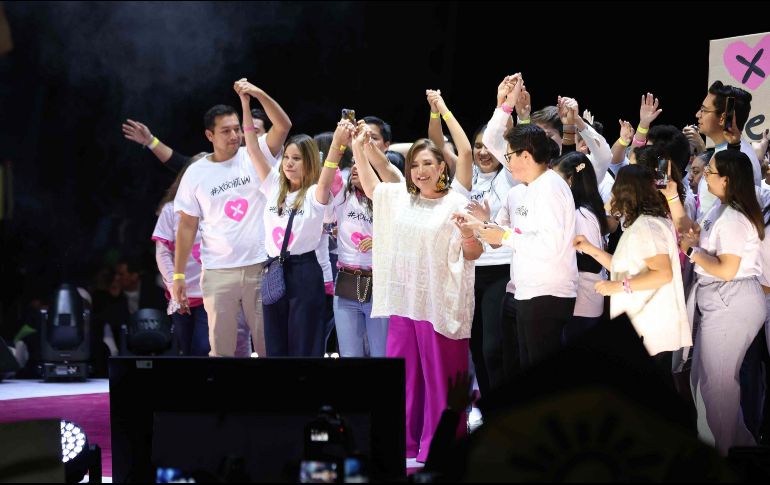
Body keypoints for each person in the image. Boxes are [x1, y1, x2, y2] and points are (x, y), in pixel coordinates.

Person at [355, 89, 479, 463]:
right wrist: (360, 149)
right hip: (405, 302)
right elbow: (373, 186)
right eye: (415, 165)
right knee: (405, 382)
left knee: (442, 385)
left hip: (442, 304)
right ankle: (405, 447)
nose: (421, 171)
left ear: (443, 167)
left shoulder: (458, 202)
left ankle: (441, 449)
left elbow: (473, 253)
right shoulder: (401, 199)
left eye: (428, 164)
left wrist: (471, 233)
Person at [173, 82, 290, 357]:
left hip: (260, 267)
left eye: (237, 128)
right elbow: (187, 226)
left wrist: (256, 95)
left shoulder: (255, 153)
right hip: (217, 272)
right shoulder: (196, 173)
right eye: (226, 131)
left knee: (267, 345)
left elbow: (283, 126)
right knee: (221, 349)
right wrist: (178, 274)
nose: (234, 135)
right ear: (209, 135)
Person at [235, 79, 348, 357]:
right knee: (275, 344)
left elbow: (331, 165)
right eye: (286, 157)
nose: (288, 163)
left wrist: (337, 142)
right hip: (273, 269)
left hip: (305, 271)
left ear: (309, 162)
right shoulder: (273, 185)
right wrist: (246, 103)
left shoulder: (315, 194)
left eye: (296, 158)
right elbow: (252, 146)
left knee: (305, 344)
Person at [473, 74, 578, 370]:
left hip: (549, 294)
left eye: (510, 156)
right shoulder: (523, 188)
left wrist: (503, 236)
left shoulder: (552, 187)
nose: (505, 161)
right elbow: (494, 140)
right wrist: (503, 105)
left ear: (527, 155)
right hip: (524, 290)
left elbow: (550, 246)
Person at [679, 149, 766, 456]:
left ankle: (726, 451)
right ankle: (739, 447)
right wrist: (672, 200)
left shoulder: (733, 218)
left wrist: (692, 252)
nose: (703, 176)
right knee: (706, 381)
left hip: (731, 300)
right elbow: (691, 233)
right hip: (723, 301)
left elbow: (727, 269)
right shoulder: (721, 208)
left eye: (710, 172)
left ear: (727, 180)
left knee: (717, 386)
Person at [573, 164, 690, 372]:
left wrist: (618, 286)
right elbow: (623, 267)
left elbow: (663, 274)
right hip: (644, 325)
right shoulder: (644, 223)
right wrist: (590, 249)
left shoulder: (647, 226)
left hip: (649, 326)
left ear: (625, 191)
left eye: (616, 187)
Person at [331, 137, 400, 357]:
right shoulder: (342, 195)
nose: (354, 167)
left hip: (379, 285)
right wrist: (340, 140)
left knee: (381, 355)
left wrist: (381, 242)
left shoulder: (391, 199)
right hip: (346, 285)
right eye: (353, 162)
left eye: (361, 163)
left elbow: (405, 237)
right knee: (350, 356)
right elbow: (327, 175)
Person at [152, 153, 211, 356]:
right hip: (180, 294)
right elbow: (162, 252)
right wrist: (173, 284)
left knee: (204, 348)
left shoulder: (218, 208)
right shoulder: (171, 210)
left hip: (211, 293)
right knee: (186, 350)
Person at [552, 152, 608, 341]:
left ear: (570, 181)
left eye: (556, 180)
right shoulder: (581, 210)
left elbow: (593, 262)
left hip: (583, 302)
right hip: (581, 302)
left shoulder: (581, 214)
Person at [694, 81, 761, 219]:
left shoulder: (740, 158)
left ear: (723, 118)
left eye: (704, 110)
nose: (697, 115)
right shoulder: (727, 151)